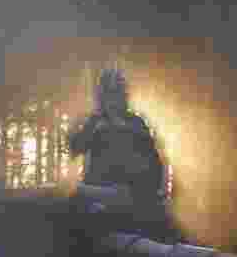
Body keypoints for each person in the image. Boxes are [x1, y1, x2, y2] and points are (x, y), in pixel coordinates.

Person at [68, 68, 167, 205]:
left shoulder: (135, 123)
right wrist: (84, 131)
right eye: (109, 94)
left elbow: (153, 159)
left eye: (116, 94)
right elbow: (76, 147)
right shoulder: (95, 121)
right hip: (98, 190)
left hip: (128, 191)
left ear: (123, 96)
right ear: (103, 97)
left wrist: (153, 189)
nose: (113, 100)